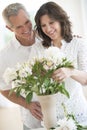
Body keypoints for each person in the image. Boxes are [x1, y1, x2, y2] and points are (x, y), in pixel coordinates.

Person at [35, 1, 87, 125]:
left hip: (77, 113)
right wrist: (41, 72)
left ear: (61, 20)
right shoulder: (39, 48)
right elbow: (34, 76)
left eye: (51, 23)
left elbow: (86, 79)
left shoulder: (78, 43)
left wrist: (70, 71)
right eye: (43, 25)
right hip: (51, 116)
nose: (48, 29)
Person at [0, 3, 44, 130]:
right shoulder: (4, 56)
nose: (26, 29)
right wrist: (27, 104)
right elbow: (3, 88)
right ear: (9, 28)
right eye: (19, 27)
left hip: (62, 114)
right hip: (33, 120)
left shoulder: (48, 36)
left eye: (27, 22)